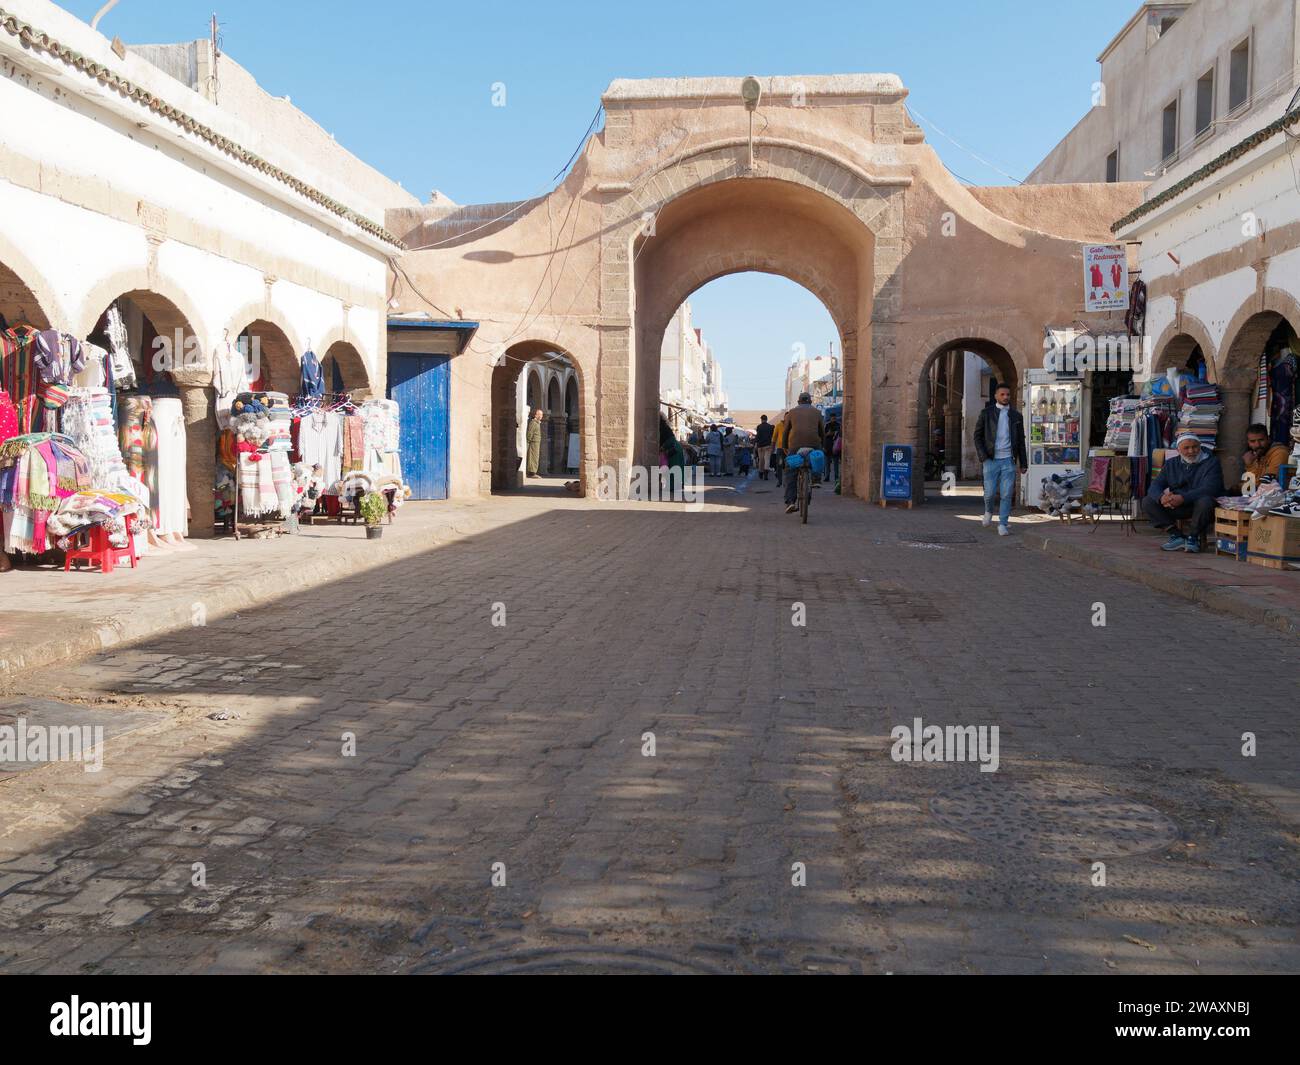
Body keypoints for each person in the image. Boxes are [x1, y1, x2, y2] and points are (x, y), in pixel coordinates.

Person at [1142, 433, 1225, 553]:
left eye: (1195, 447)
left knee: (1206, 501)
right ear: (1178, 450)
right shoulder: (1171, 464)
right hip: (1177, 505)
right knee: (1148, 501)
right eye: (1186, 448)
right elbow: (1155, 485)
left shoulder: (1212, 462)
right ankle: (1176, 536)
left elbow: (1211, 488)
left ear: (1200, 446)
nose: (1191, 451)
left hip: (1200, 506)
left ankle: (1193, 537)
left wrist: (1183, 498)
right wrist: (1162, 498)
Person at [973, 383, 1028, 536]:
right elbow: (977, 436)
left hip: (1008, 461)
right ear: (996, 396)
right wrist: (983, 456)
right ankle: (988, 511)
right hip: (990, 460)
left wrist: (1023, 463)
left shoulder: (1016, 416)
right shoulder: (986, 413)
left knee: (1006, 494)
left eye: (1008, 395)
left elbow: (1021, 442)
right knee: (989, 493)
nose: (1005, 397)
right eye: (1002, 394)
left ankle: (1002, 523)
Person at [782, 392, 825, 514]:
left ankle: (790, 502)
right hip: (814, 444)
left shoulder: (791, 412)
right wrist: (823, 447)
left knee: (790, 472)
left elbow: (785, 432)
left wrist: (785, 447)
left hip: (795, 446)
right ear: (810, 401)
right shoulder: (817, 412)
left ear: (798, 401)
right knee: (818, 458)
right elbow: (822, 431)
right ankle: (816, 478)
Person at [823, 414, 841, 487]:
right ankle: (827, 476)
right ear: (830, 418)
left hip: (836, 446)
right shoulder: (827, 425)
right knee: (827, 463)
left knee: (836, 462)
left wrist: (834, 434)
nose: (833, 419)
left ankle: (836, 477)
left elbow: (840, 434)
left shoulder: (838, 425)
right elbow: (824, 435)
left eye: (834, 418)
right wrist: (828, 434)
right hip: (828, 446)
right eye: (832, 418)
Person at [754, 415, 774, 479]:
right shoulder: (770, 427)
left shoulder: (759, 426)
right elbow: (772, 436)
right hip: (768, 445)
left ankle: (760, 472)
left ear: (761, 419)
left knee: (761, 460)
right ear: (767, 419)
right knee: (767, 460)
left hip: (760, 446)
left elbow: (757, 436)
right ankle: (766, 474)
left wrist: (756, 444)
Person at [772, 410, 788, 487]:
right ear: (784, 417)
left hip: (789, 449)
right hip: (780, 449)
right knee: (779, 465)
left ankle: (786, 481)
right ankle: (779, 481)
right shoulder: (778, 425)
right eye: (786, 417)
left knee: (788, 466)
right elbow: (774, 437)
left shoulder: (792, 425)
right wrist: (772, 448)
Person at [525, 407, 543, 477]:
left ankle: (533, 471)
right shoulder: (533, 423)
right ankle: (531, 472)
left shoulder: (537, 423)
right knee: (532, 457)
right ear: (536, 415)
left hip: (536, 443)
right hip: (533, 443)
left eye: (541, 415)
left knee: (536, 457)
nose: (541, 416)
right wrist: (528, 441)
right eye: (540, 415)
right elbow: (530, 433)